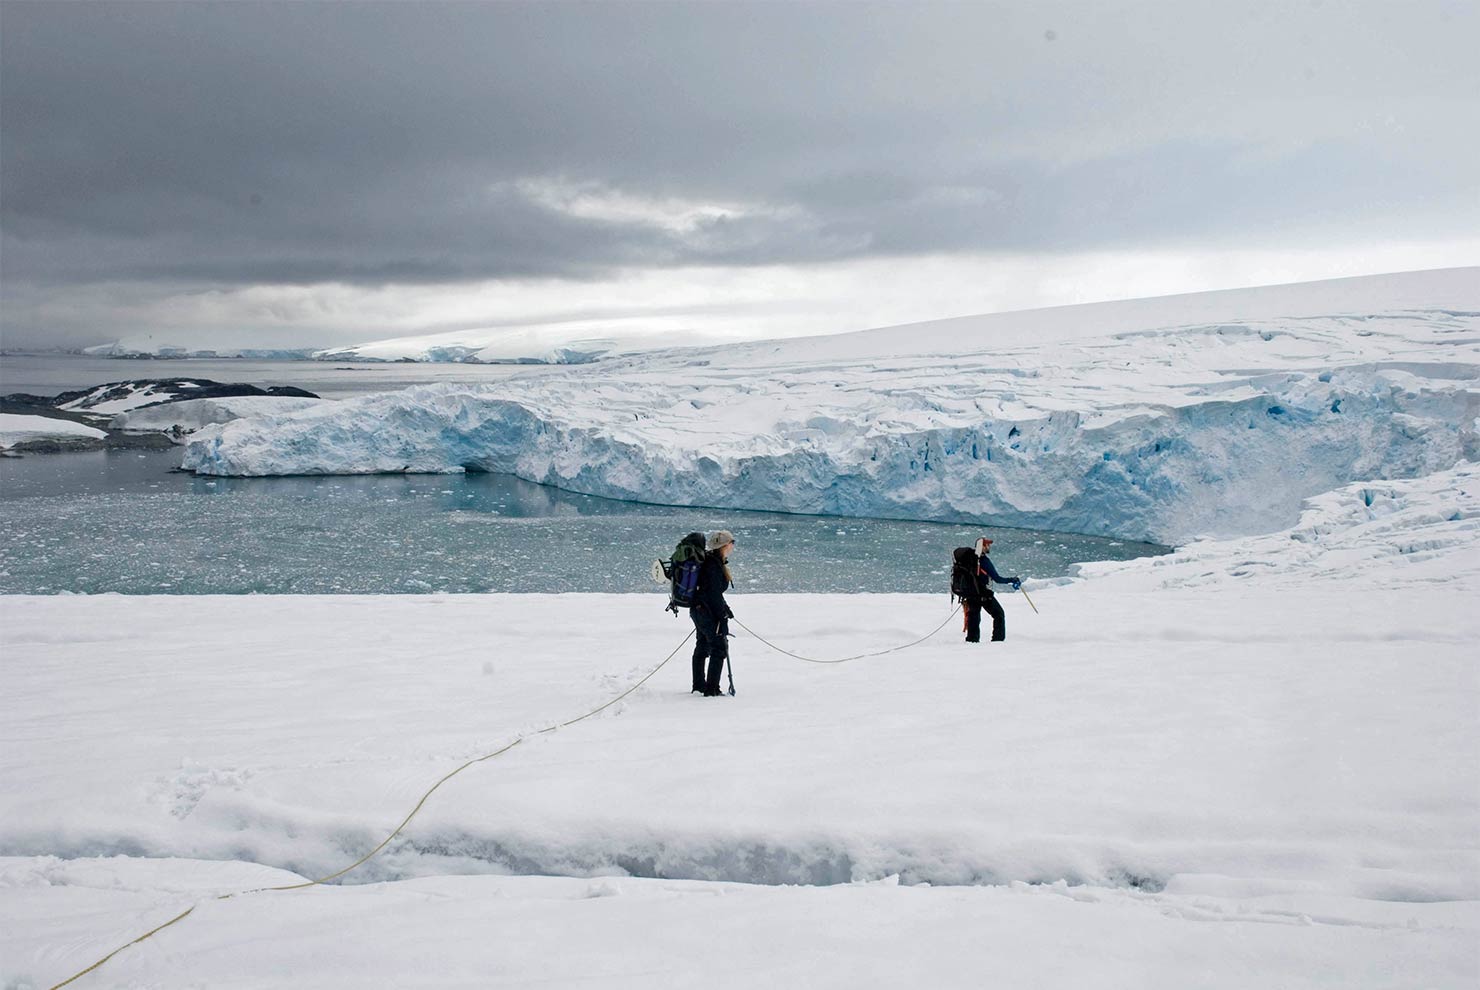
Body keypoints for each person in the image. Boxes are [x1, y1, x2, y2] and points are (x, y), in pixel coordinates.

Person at [690, 529, 736, 696]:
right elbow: (713, 595)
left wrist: (726, 609)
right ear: (724, 545)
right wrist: (721, 618)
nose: (733, 545)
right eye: (732, 542)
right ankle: (711, 690)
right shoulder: (713, 565)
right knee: (719, 647)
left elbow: (713, 593)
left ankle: (699, 685)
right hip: (706, 612)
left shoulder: (711, 561)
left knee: (702, 645)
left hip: (698, 610)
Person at [957, 535, 1020, 643]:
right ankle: (998, 640)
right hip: (984, 594)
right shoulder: (984, 561)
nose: (989, 547)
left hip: (972, 594)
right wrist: (1012, 579)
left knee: (974, 616)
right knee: (999, 614)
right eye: (987, 545)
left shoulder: (971, 560)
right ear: (982, 546)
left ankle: (972, 640)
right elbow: (997, 579)